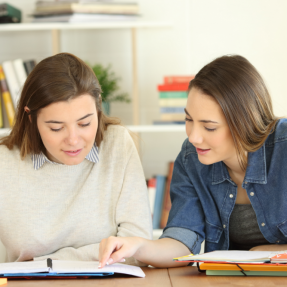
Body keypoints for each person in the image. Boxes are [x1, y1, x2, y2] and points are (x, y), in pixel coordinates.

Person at [98, 55, 287, 268]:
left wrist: (270, 252)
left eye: (209, 127)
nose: (194, 137)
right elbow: (182, 239)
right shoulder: (191, 159)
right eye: (189, 120)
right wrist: (138, 247)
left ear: (245, 122)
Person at [0, 52, 152, 265]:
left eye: (84, 124)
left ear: (97, 108)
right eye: (56, 127)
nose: (73, 140)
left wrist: (40, 263)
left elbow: (137, 245)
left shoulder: (117, 145)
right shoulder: (4, 163)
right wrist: (97, 254)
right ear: (31, 117)